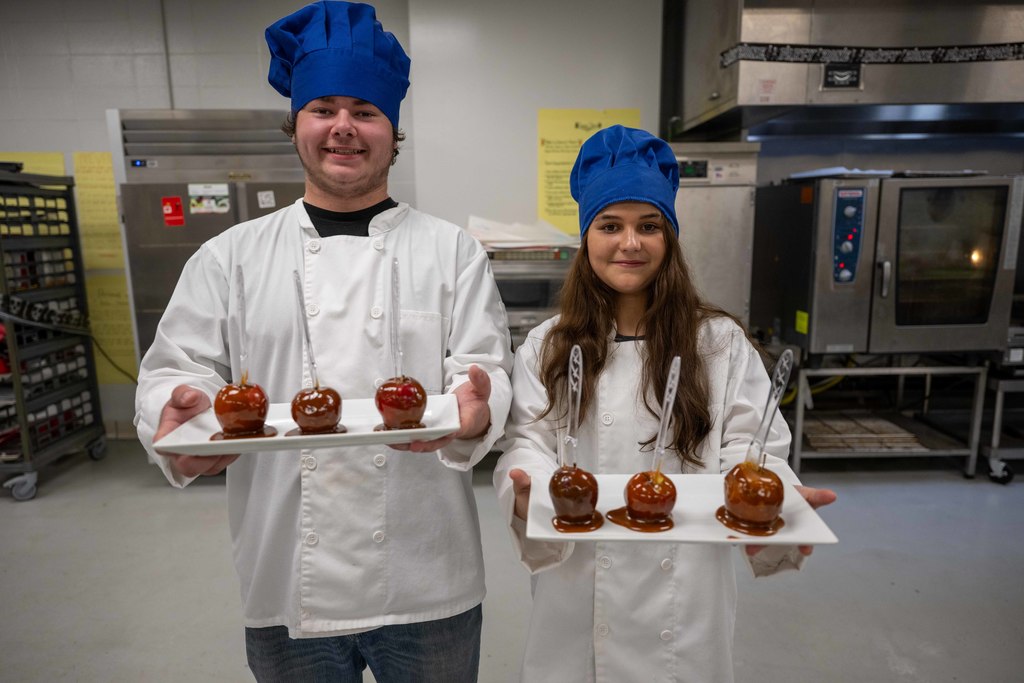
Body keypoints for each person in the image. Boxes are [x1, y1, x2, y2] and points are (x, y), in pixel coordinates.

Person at [134, 2, 513, 681]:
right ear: (297, 125)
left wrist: (478, 409)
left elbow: (482, 369)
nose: (344, 127)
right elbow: (172, 373)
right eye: (324, 108)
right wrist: (176, 425)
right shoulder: (230, 257)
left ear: (393, 130)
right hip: (287, 577)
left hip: (428, 575)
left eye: (366, 110)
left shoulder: (452, 252)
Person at [492, 125, 836, 682]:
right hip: (578, 581)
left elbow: (749, 444)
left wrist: (770, 497)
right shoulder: (549, 344)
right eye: (611, 225)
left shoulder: (717, 342)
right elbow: (527, 440)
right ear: (587, 237)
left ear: (669, 239)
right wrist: (527, 486)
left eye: (648, 226)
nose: (630, 243)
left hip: (685, 594)